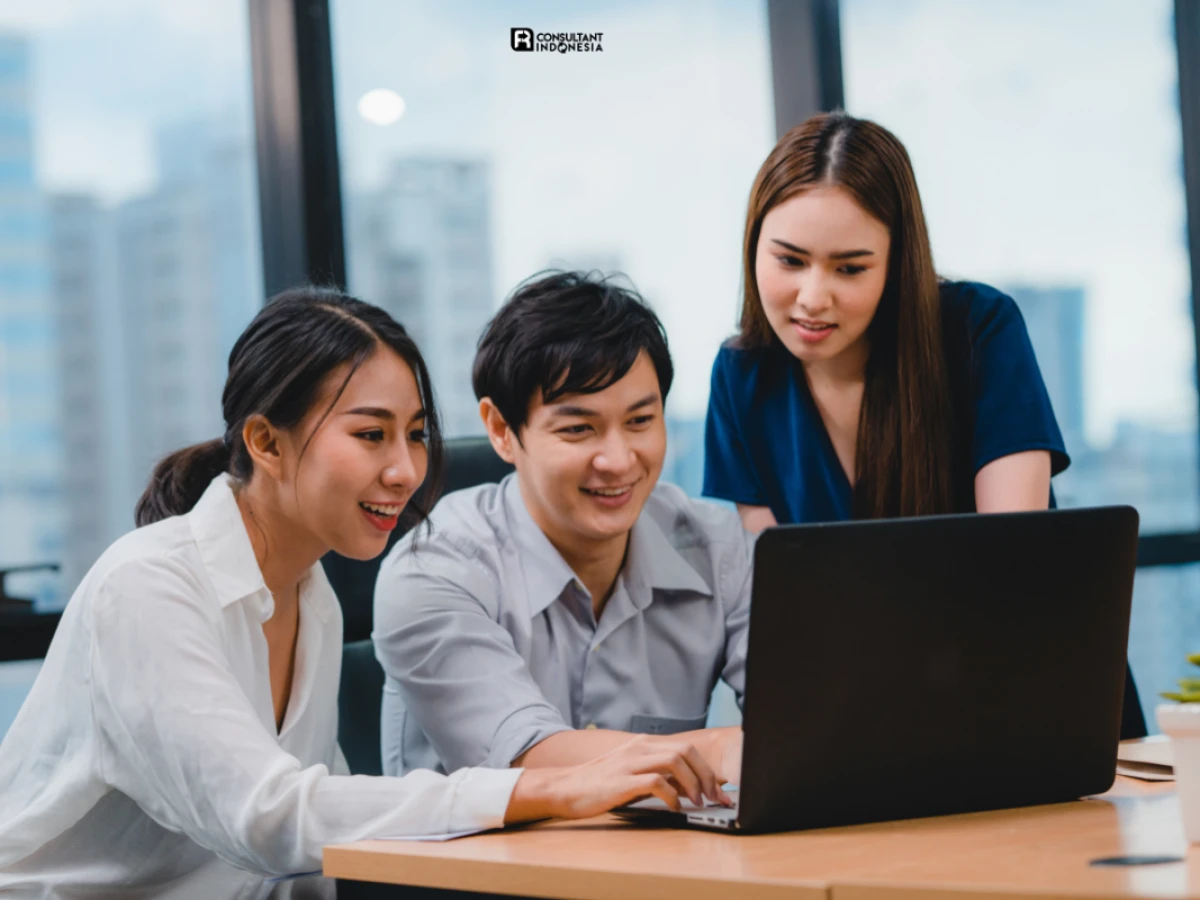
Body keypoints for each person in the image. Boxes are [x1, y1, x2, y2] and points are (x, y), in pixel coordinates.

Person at [0, 287, 722, 900]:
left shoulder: (310, 594)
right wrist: (551, 788)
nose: (407, 470)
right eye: (371, 435)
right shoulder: (146, 587)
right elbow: (270, 817)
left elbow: (312, 850)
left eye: (414, 435)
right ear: (267, 442)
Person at [374, 272, 749, 790]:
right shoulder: (435, 569)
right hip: (478, 868)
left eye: (641, 421)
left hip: (665, 865)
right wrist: (721, 747)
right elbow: (524, 754)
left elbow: (802, 721)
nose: (619, 461)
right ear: (503, 430)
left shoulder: (719, 547)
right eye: (578, 429)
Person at [704, 111, 1069, 531]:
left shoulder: (979, 330)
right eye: (790, 260)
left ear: (895, 264)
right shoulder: (740, 376)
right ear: (753, 245)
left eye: (850, 269)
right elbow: (779, 577)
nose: (813, 299)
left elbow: (1013, 552)